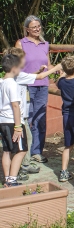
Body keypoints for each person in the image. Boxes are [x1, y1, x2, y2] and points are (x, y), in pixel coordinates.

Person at [3, 48, 62, 181]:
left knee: (8, 149)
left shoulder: (8, 79)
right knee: (22, 146)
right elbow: (39, 78)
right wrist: (57, 67)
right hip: (17, 119)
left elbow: (31, 76)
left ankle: (12, 173)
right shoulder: (17, 78)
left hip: (5, 119)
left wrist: (38, 72)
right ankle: (18, 171)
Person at [15, 15, 54, 163]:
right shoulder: (21, 43)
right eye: (34, 27)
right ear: (27, 29)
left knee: (40, 119)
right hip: (26, 86)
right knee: (27, 118)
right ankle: (25, 152)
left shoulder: (45, 44)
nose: (37, 29)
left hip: (42, 85)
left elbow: (48, 64)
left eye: (39, 26)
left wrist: (60, 70)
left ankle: (37, 152)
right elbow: (16, 65)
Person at [0, 54, 27, 187]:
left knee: (6, 150)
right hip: (12, 121)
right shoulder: (12, 84)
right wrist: (18, 126)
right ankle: (12, 179)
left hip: (3, 121)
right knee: (21, 150)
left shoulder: (1, 82)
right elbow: (15, 106)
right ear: (15, 68)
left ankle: (6, 178)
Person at [56, 56, 74, 184]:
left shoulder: (61, 82)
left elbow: (58, 81)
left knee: (68, 146)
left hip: (66, 115)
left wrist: (62, 74)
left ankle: (63, 172)